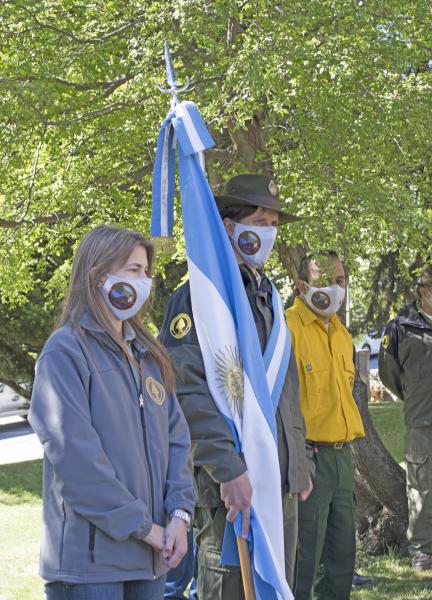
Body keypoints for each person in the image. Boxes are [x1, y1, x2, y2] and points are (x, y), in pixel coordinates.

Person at [159, 174, 313, 599]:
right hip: (232, 485)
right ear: (229, 226)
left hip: (280, 482)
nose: (267, 232)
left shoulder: (268, 296)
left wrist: (300, 463)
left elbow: (284, 394)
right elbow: (186, 390)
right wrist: (227, 469)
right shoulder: (197, 297)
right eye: (259, 221)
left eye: (272, 223)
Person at [28, 225, 195, 600]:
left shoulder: (148, 356)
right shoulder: (65, 352)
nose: (144, 280)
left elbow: (177, 441)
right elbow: (76, 460)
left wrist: (179, 516)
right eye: (133, 270)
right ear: (98, 274)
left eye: (146, 272)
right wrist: (145, 527)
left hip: (151, 558)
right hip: (91, 567)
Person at [285, 251, 365, 600]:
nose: (334, 288)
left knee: (342, 558)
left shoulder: (341, 334)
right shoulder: (287, 327)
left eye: (340, 281)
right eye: (324, 281)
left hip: (342, 457)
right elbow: (281, 402)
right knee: (303, 561)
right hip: (309, 458)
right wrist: (300, 459)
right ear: (302, 286)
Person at [379, 262, 432, 570]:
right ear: (424, 292)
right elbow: (389, 375)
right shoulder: (400, 327)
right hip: (422, 421)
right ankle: (424, 550)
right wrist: (416, 397)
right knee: (422, 486)